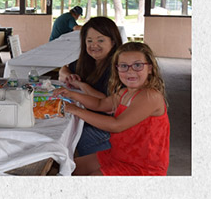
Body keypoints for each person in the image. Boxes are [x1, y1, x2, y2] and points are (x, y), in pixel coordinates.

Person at [57, 42, 169, 175]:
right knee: (68, 170)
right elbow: (100, 104)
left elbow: (116, 125)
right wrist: (71, 94)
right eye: (123, 66)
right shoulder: (125, 92)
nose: (130, 71)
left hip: (143, 166)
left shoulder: (150, 96)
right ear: (117, 69)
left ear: (150, 68)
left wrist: (76, 110)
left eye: (138, 65)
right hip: (119, 155)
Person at [58, 17, 124, 156]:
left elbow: (105, 103)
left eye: (100, 40)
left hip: (104, 128)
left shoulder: (117, 67)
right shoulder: (88, 60)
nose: (94, 45)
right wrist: (68, 75)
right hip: (86, 118)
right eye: (89, 41)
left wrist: (81, 85)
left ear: (113, 41)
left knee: (62, 139)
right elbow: (62, 70)